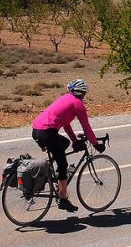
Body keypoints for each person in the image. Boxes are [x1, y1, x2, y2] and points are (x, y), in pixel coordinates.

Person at [31, 79, 105, 212]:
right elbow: (86, 128)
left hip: (37, 130)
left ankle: (51, 172)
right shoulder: (78, 104)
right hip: (48, 132)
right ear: (81, 93)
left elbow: (65, 124)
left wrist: (75, 141)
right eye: (84, 93)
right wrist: (95, 144)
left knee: (65, 143)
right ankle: (63, 199)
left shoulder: (65, 99)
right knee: (63, 165)